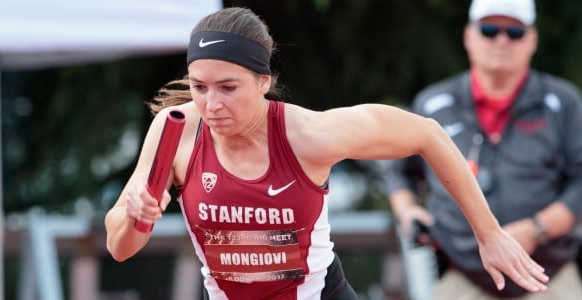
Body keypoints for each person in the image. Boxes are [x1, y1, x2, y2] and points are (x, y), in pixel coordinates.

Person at [104, 6, 549, 300]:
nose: (211, 104)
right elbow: (121, 247)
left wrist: (488, 234)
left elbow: (428, 135)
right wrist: (136, 216)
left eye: (228, 88)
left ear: (263, 82)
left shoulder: (309, 134)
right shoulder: (176, 131)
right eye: (199, 87)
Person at [384, 0, 582, 299]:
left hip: (547, 270)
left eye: (514, 32)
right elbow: (398, 168)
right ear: (468, 36)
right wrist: (408, 210)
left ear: (532, 40)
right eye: (489, 30)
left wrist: (536, 229)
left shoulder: (563, 101)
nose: (501, 40)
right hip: (465, 271)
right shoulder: (434, 103)